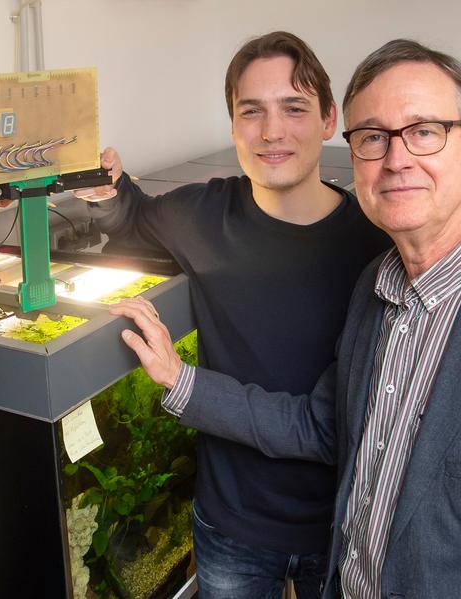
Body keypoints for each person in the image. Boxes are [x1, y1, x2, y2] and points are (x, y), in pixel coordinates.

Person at [112, 39, 461, 599]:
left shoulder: (380, 250)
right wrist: (101, 188)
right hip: (271, 536)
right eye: (375, 138)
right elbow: (319, 423)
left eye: (425, 131)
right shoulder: (378, 288)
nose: (398, 159)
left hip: (329, 534)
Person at [76, 32, 390, 597]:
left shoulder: (377, 244)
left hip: (347, 520)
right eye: (252, 112)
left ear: (327, 119)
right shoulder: (201, 213)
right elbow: (136, 220)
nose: (272, 131)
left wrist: (181, 381)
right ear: (233, 125)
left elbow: (327, 423)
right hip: (231, 526)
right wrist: (110, 189)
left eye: (293, 108)